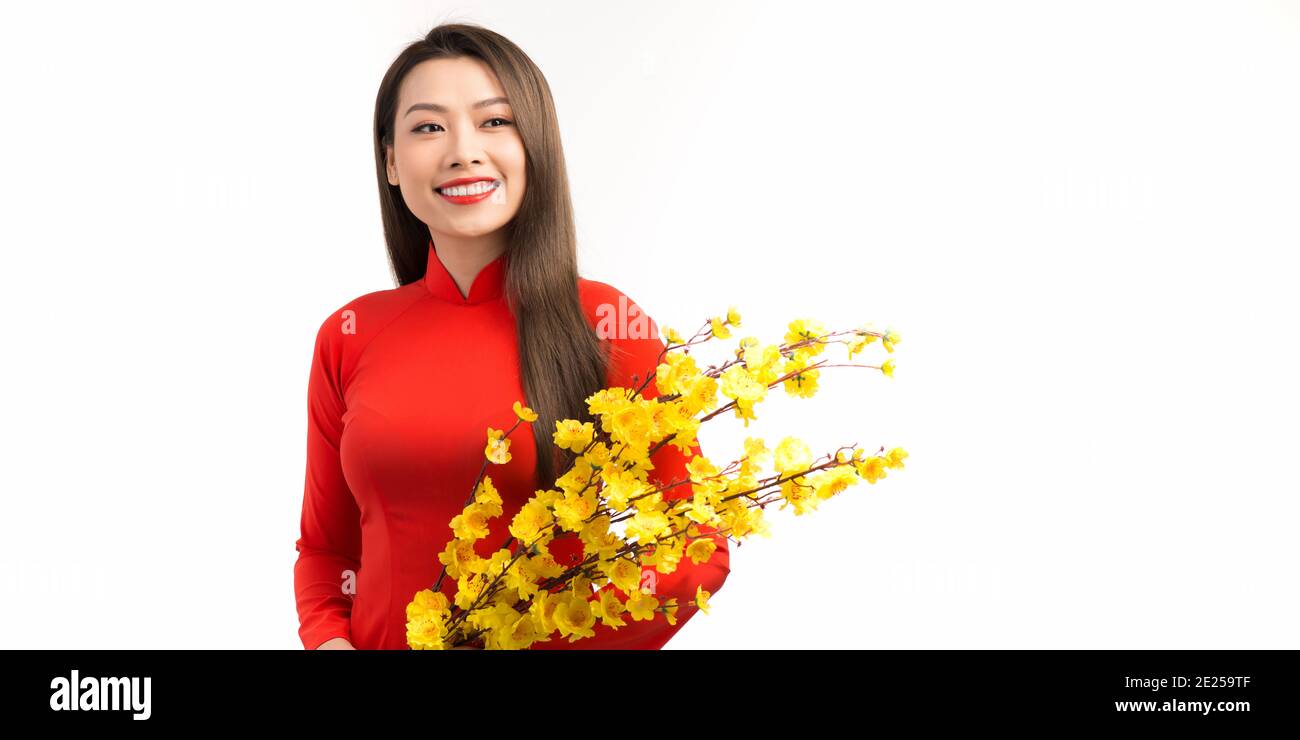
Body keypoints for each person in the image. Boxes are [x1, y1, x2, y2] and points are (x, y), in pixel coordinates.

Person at [294, 23, 730, 650]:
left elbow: (697, 548)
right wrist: (329, 640)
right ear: (390, 161)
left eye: (494, 122)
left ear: (536, 145)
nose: (463, 151)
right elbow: (327, 551)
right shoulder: (349, 335)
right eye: (427, 127)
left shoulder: (607, 325)